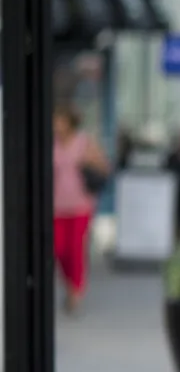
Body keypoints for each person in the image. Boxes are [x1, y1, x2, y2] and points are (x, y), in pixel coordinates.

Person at [52, 105, 111, 315]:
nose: (56, 125)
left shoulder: (84, 142)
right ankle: (69, 284)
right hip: (56, 206)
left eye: (59, 120)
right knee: (58, 249)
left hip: (80, 204)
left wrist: (89, 161)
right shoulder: (51, 143)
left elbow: (104, 167)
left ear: (69, 122)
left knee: (75, 249)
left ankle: (75, 291)